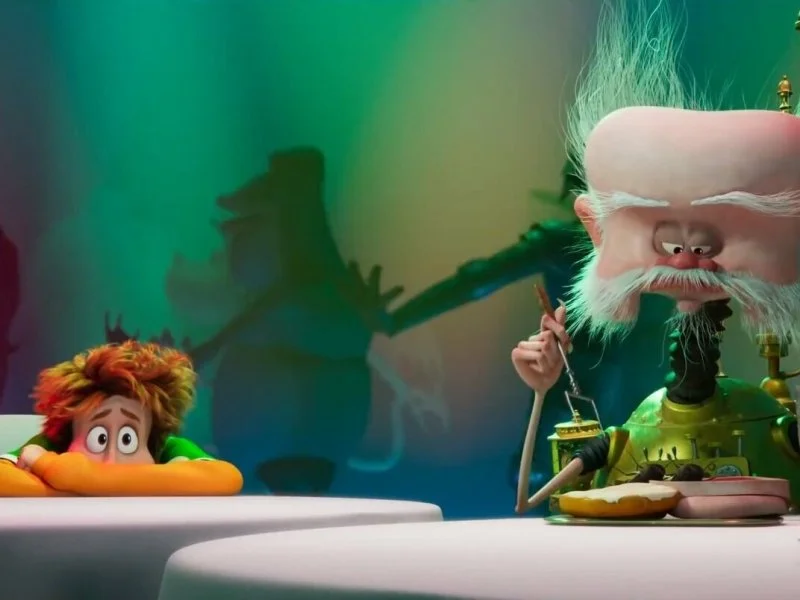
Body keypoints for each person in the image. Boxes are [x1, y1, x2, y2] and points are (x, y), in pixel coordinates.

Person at [512, 0, 800, 511]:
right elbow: (532, 501)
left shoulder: (766, 422)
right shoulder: (634, 429)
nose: (687, 258)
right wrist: (542, 391)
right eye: (669, 242)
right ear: (594, 226)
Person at [0, 340, 243, 496]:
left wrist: (68, 474)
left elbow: (226, 478)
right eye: (99, 438)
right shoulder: (51, 444)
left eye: (128, 439)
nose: (111, 459)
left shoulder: (165, 447)